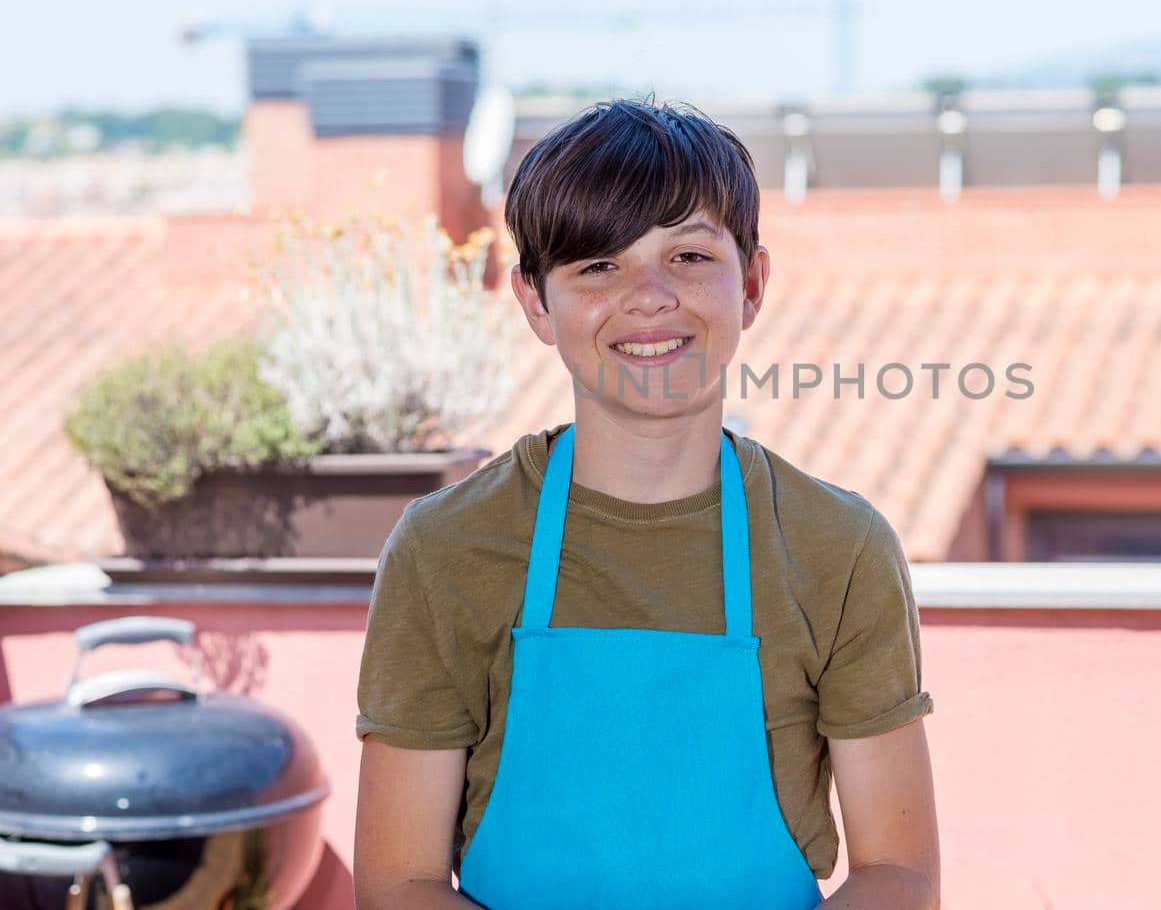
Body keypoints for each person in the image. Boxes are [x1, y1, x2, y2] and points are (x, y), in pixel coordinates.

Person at [352, 96, 939, 908]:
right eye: (599, 265)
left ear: (753, 285)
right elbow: (398, 882)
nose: (650, 296)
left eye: (690, 257)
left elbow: (898, 873)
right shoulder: (447, 548)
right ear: (534, 302)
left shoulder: (838, 548)